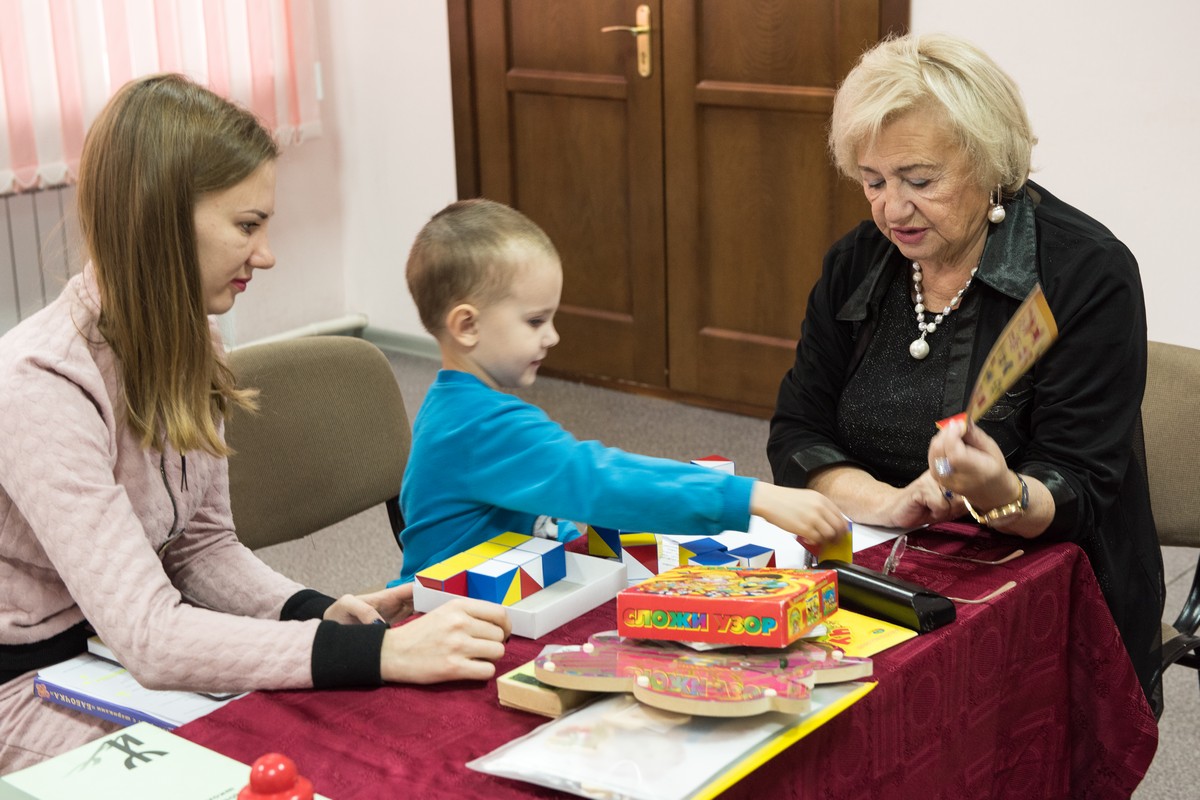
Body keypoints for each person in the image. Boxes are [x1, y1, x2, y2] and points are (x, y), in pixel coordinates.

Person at [0, 74, 510, 772]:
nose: (266, 254)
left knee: (348, 741)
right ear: (160, 220)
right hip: (28, 685)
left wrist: (315, 612)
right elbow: (150, 635)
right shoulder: (38, 383)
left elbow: (199, 548)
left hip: (112, 653)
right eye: (247, 226)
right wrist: (374, 651)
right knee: (256, 770)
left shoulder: (193, 340)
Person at [767, 33, 1165, 710]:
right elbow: (798, 434)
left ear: (990, 163)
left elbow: (1079, 487)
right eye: (873, 181)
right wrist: (888, 502)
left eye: (920, 181)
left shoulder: (1085, 274)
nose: (891, 209)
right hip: (882, 576)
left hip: (1043, 596)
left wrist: (1001, 492)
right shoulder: (858, 263)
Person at [397, 199, 850, 583]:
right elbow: (598, 478)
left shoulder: (462, 408)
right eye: (535, 321)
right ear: (467, 325)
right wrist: (751, 496)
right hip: (441, 618)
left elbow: (551, 510)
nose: (552, 337)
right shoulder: (480, 427)